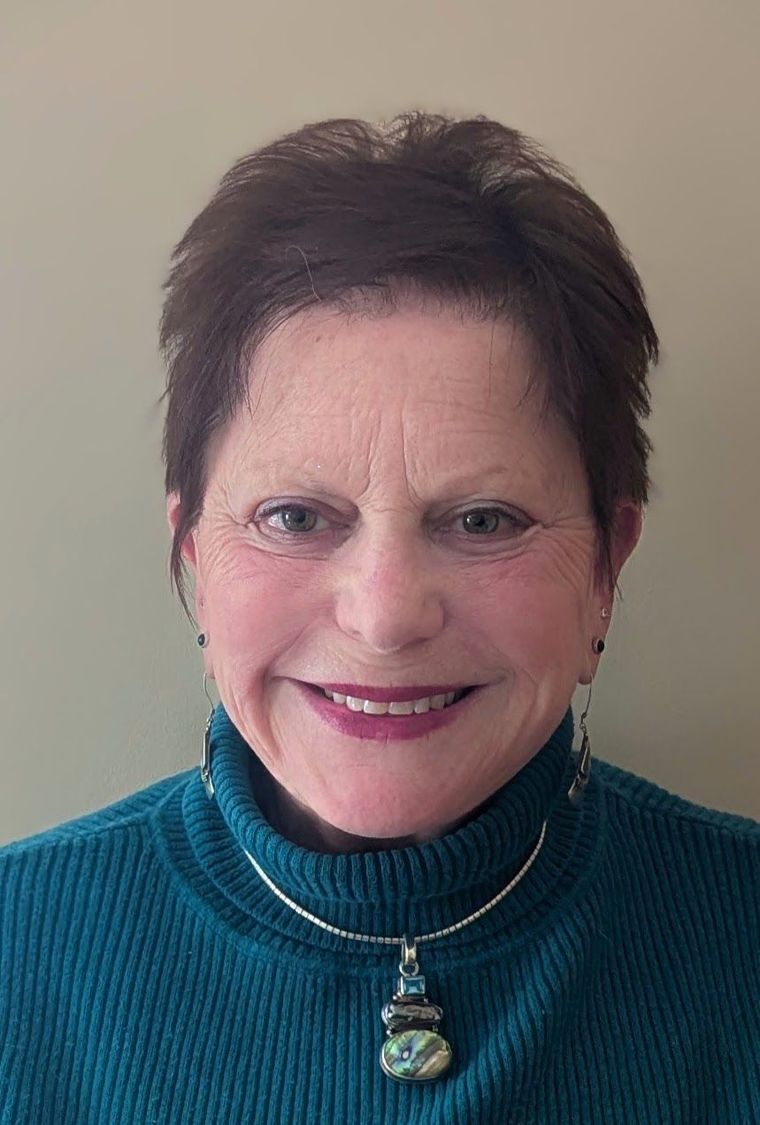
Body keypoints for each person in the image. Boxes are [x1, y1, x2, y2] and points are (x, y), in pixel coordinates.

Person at [1, 110, 757, 1125]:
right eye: (297, 516)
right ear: (191, 557)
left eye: (483, 519)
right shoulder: (19, 949)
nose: (385, 615)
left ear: (604, 571)